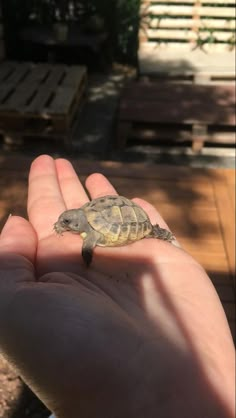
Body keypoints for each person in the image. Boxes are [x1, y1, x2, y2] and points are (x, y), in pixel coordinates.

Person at [0, 154, 234, 418]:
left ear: (79, 222)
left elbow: (88, 245)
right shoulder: (83, 217)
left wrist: (85, 259)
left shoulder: (92, 233)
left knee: (147, 231)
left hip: (131, 220)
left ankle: (158, 233)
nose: (65, 225)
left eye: (67, 223)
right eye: (65, 222)